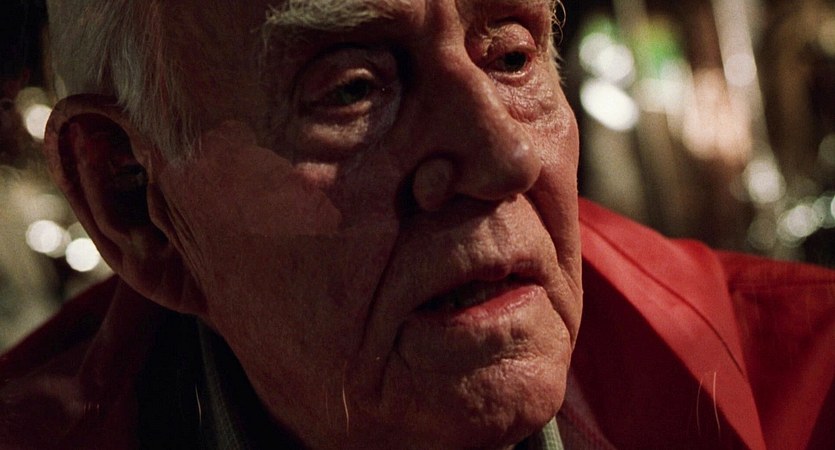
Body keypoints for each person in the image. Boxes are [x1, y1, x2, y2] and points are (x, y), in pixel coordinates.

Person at [0, 1, 833, 449]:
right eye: (353, 89)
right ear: (131, 198)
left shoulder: (812, 389)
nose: (504, 157)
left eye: (511, 56)